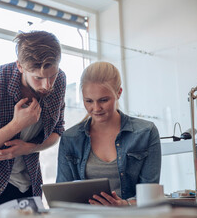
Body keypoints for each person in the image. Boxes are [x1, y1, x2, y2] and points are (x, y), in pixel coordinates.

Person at [0, 31, 66, 208]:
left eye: (52, 75)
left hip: (31, 187)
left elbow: (57, 131)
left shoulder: (60, 81)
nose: (47, 85)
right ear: (20, 66)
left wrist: (29, 148)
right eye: (38, 78)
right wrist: (16, 125)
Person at [56, 61, 161, 206]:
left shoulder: (145, 132)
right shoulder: (70, 138)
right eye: (89, 101)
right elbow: (61, 199)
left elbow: (151, 194)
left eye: (103, 100)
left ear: (118, 93)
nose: (96, 108)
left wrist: (125, 205)